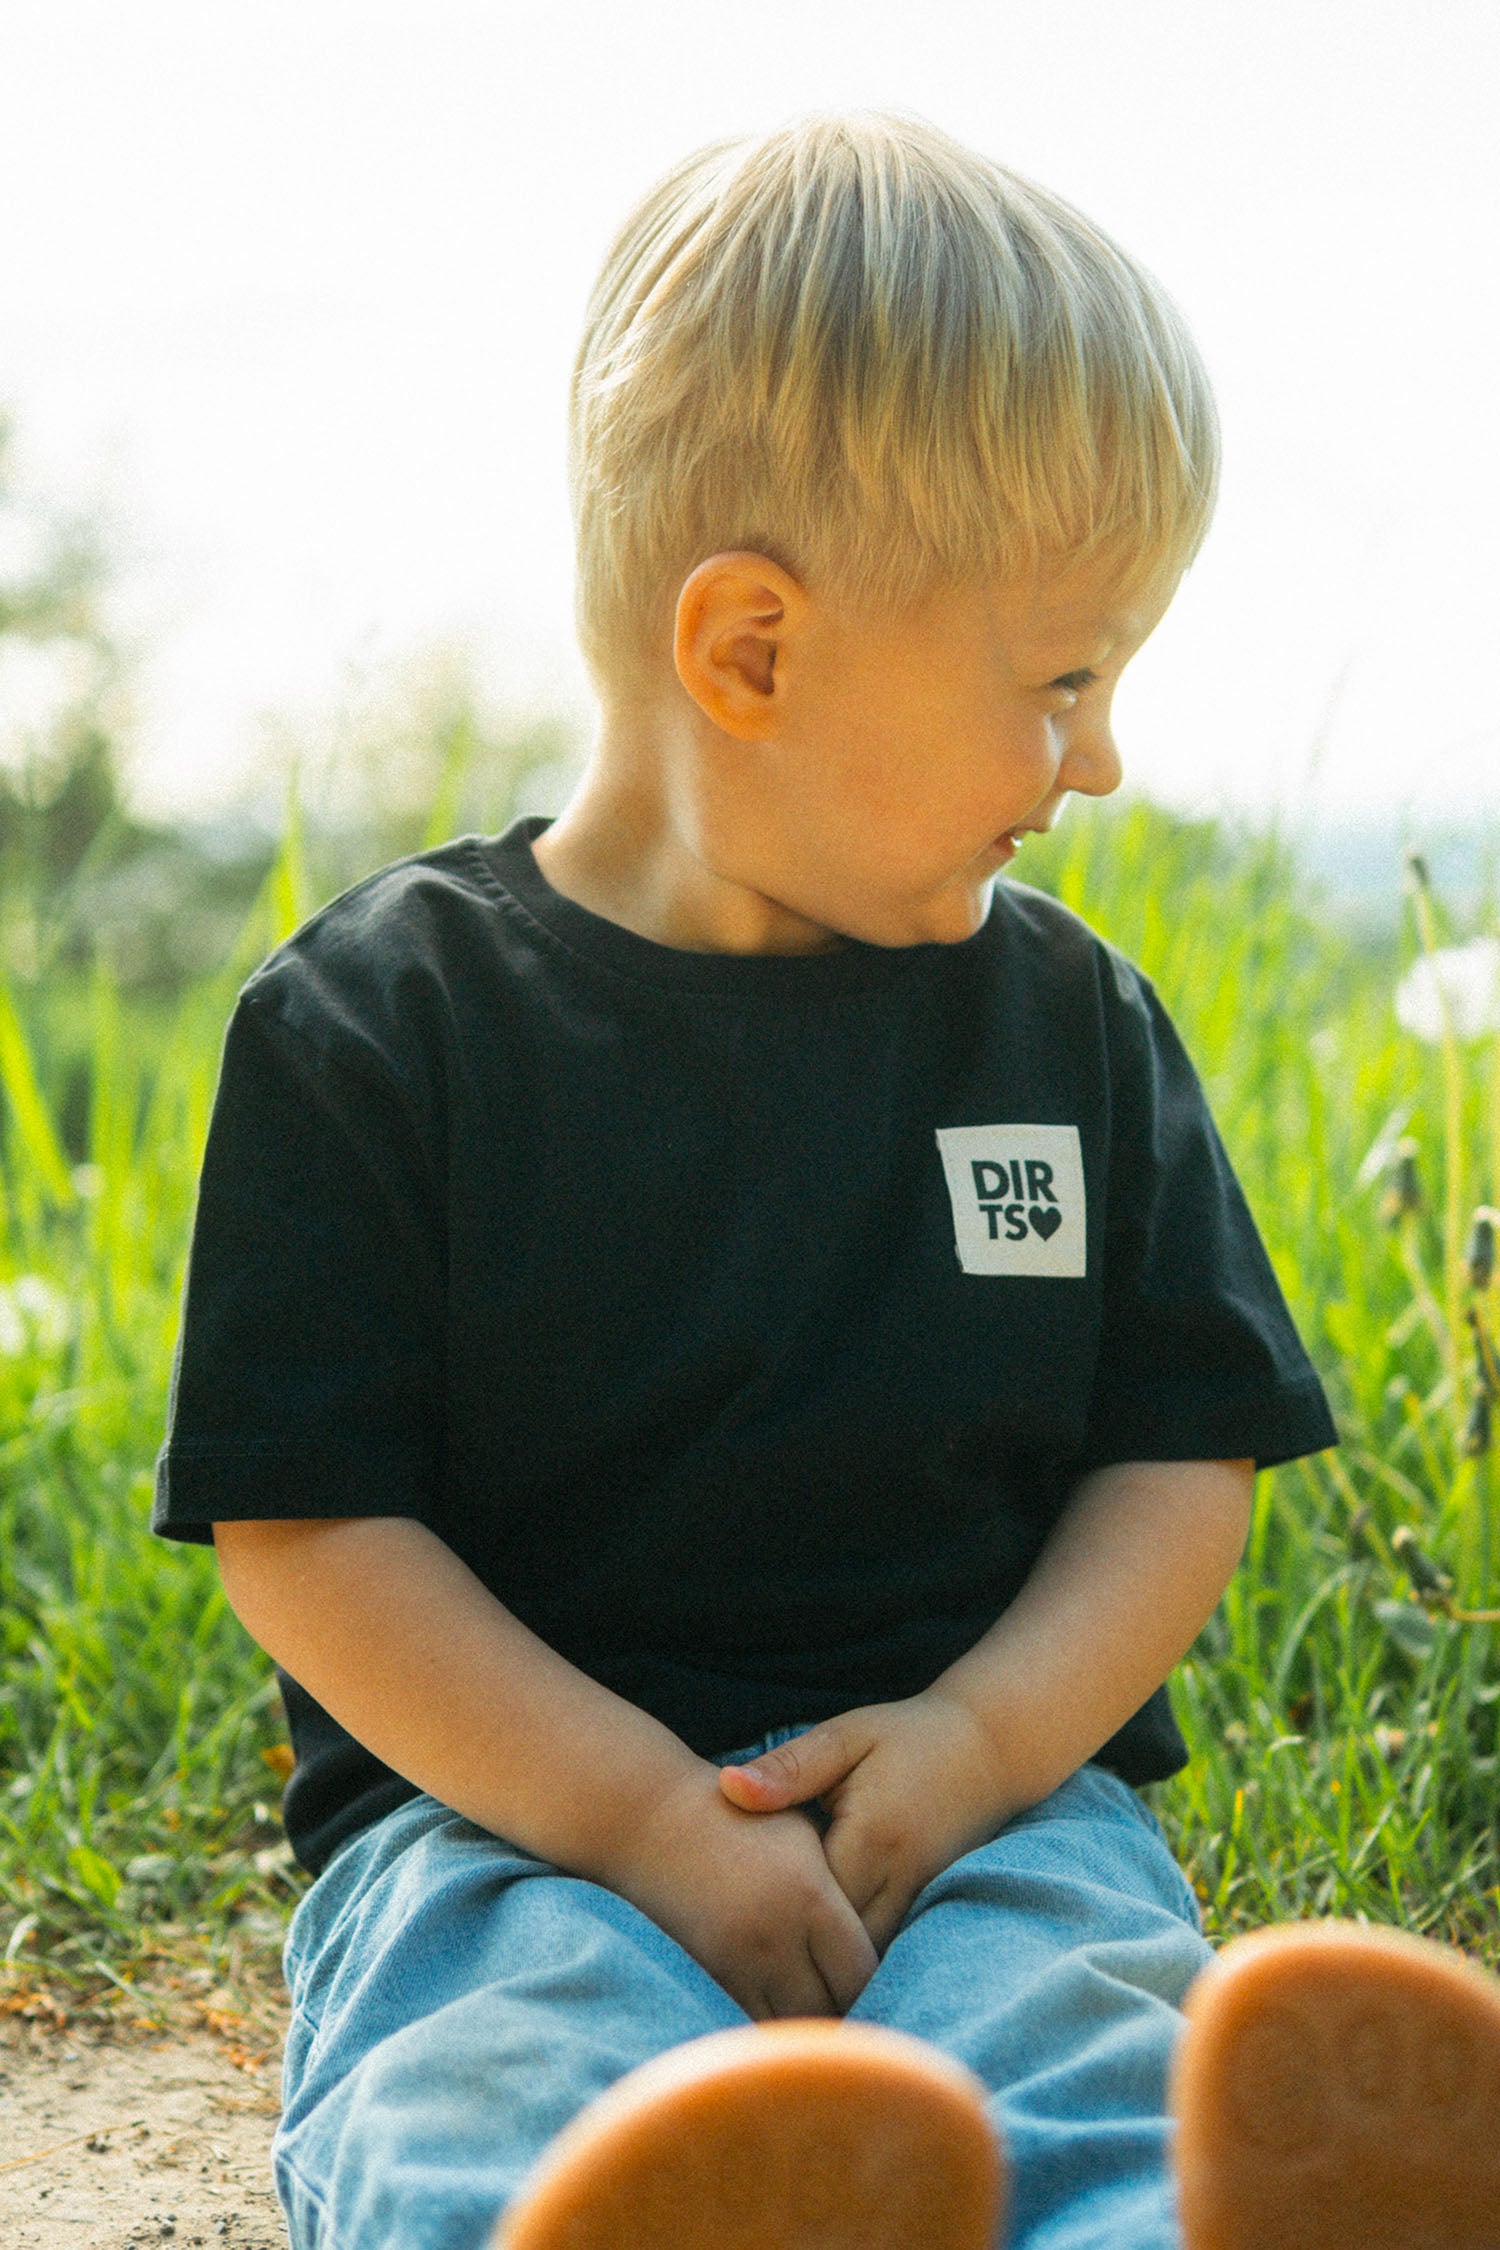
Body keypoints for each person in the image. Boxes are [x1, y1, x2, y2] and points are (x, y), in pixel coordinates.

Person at [152, 109, 1500, 2250]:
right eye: (1063, 680)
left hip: (985, 1827)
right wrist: (640, 1817)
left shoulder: (1068, 1025)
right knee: (501, 2079)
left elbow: (1177, 1459)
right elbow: (310, 1526)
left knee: (1074, 2034)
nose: (1101, 762)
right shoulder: (378, 1028)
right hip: (517, 1840)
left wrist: (982, 1739)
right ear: (754, 653)